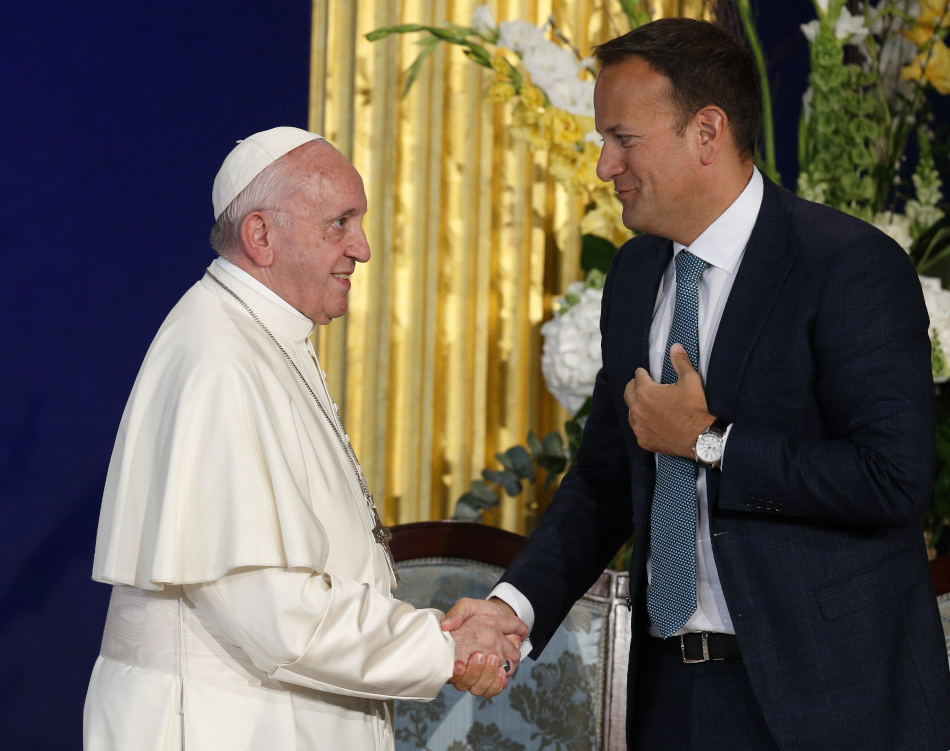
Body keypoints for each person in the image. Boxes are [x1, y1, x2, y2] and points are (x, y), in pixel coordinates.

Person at [444, 18, 950, 750]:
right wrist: (511, 604)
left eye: (623, 139)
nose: (604, 166)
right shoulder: (634, 275)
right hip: (671, 698)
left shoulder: (847, 265)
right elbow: (605, 478)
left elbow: (891, 478)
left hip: (831, 704)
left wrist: (710, 442)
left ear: (707, 132)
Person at [83, 127, 527, 751]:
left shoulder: (260, 337)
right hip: (221, 726)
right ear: (260, 235)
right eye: (339, 223)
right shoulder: (220, 359)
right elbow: (273, 613)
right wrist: (442, 645)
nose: (363, 249)